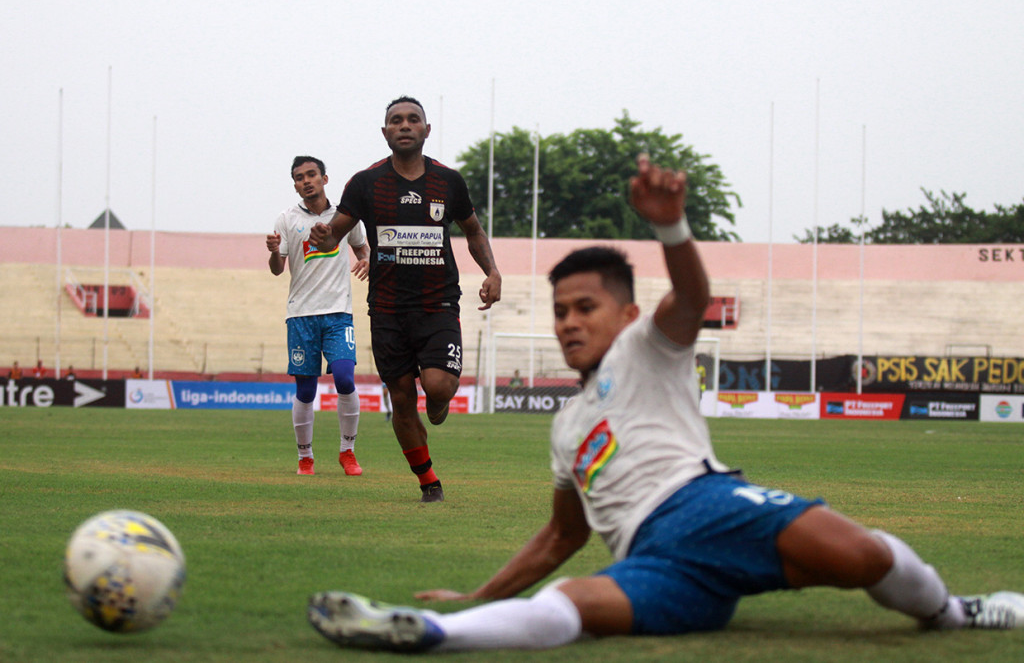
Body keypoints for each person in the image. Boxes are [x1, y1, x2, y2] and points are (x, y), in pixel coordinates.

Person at [307, 155, 1024, 652]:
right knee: (575, 607)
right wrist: (477, 594)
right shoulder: (566, 429)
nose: (568, 323)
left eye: (586, 307)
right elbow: (561, 540)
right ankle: (428, 631)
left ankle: (954, 613)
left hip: (706, 506)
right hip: (656, 562)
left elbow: (693, 296)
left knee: (863, 556)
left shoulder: (650, 348)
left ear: (624, 316)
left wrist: (672, 226)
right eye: (560, 311)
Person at [310, 96, 501, 503]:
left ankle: (440, 401)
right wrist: (325, 236)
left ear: (426, 130)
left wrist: (492, 272)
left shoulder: (449, 181)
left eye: (414, 119)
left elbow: (473, 230)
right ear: (385, 132)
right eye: (396, 120)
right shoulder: (366, 183)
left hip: (438, 304)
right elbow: (337, 230)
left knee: (437, 386)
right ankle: (428, 480)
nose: (405, 125)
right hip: (388, 308)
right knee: (400, 398)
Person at [268, 155, 370, 477]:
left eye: (312, 174)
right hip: (301, 315)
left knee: (344, 377)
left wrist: (368, 261)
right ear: (295, 184)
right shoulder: (286, 219)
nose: (306, 181)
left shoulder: (346, 217)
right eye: (300, 177)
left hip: (339, 313)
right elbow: (277, 270)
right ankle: (305, 457)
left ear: (325, 179)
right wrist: (273, 251)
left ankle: (347, 452)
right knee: (306, 390)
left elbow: (363, 250)